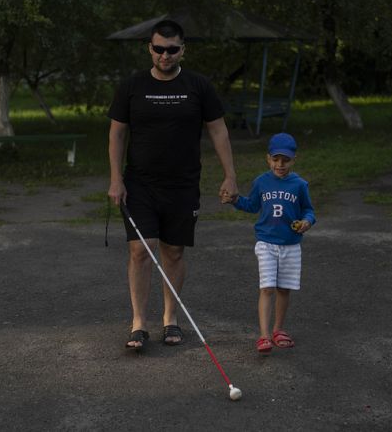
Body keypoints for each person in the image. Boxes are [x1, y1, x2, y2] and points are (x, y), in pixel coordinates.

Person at [108, 19, 238, 350]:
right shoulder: (132, 86)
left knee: (174, 251)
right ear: (149, 49)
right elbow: (117, 132)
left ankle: (170, 318)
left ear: (183, 50)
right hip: (140, 183)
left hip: (182, 185)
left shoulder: (199, 86)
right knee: (139, 250)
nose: (165, 56)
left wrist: (230, 175)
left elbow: (218, 129)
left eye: (172, 49)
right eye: (158, 49)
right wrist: (115, 178)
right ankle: (138, 322)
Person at [223, 132, 315, 354]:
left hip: (291, 244)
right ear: (268, 159)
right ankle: (264, 336)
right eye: (276, 159)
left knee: (284, 289)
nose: (280, 165)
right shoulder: (261, 182)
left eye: (285, 160)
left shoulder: (300, 184)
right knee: (267, 288)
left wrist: (306, 222)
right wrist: (235, 200)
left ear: (294, 159)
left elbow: (309, 210)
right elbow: (252, 205)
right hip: (266, 243)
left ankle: (278, 329)